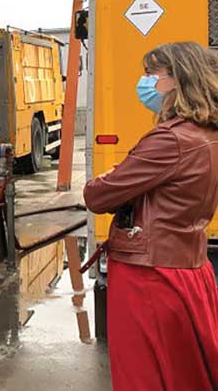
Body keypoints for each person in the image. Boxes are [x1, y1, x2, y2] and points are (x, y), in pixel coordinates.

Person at [83, 42, 218, 390]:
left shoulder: (170, 140)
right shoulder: (207, 134)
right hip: (187, 263)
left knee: (144, 372)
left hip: (150, 274)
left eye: (152, 74)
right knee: (183, 370)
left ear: (177, 80)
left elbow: (97, 195)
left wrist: (113, 177)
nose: (145, 82)